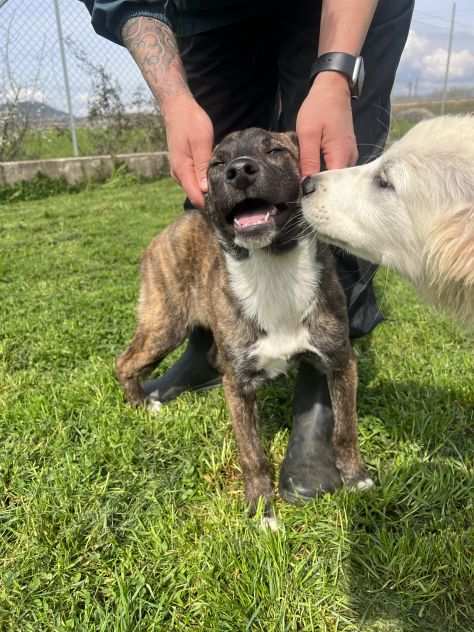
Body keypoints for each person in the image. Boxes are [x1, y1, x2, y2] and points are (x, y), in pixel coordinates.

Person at [80, 0, 414, 502]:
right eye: (227, 171)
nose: (242, 170)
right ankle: (205, 354)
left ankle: (317, 405)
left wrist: (336, 71)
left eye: (272, 156)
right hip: (205, 14)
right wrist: (174, 102)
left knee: (340, 153)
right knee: (218, 129)